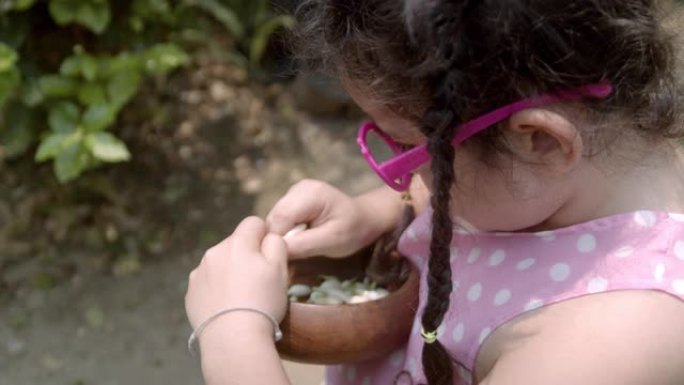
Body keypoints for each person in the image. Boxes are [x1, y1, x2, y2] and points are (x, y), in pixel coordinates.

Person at [184, 1, 684, 384]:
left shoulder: (605, 345)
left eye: (409, 150)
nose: (408, 181)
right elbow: (498, 194)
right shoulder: (567, 174)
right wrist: (376, 214)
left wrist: (233, 337)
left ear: (539, 140)